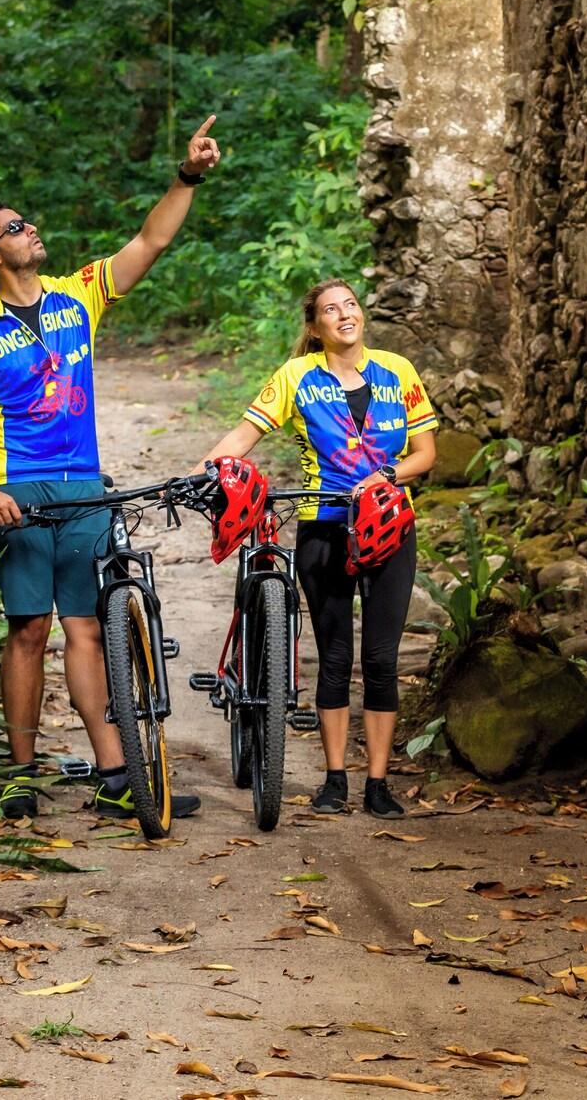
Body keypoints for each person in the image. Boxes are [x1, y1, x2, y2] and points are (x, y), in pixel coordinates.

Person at [0, 116, 223, 822]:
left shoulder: (78, 295)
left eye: (26, 223)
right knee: (29, 628)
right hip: (18, 490)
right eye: (14, 229)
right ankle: (20, 774)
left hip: (84, 484)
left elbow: (151, 240)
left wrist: (186, 175)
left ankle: (115, 773)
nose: (29, 231)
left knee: (88, 627)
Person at [203, 279, 438, 818]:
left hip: (390, 526)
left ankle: (378, 783)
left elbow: (426, 451)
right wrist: (201, 471)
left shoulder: (398, 371)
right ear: (315, 327)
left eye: (350, 304)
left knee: (380, 659)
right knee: (334, 657)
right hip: (323, 527)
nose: (344, 314)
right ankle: (335, 780)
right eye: (331, 310)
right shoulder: (297, 377)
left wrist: (385, 475)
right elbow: (244, 435)